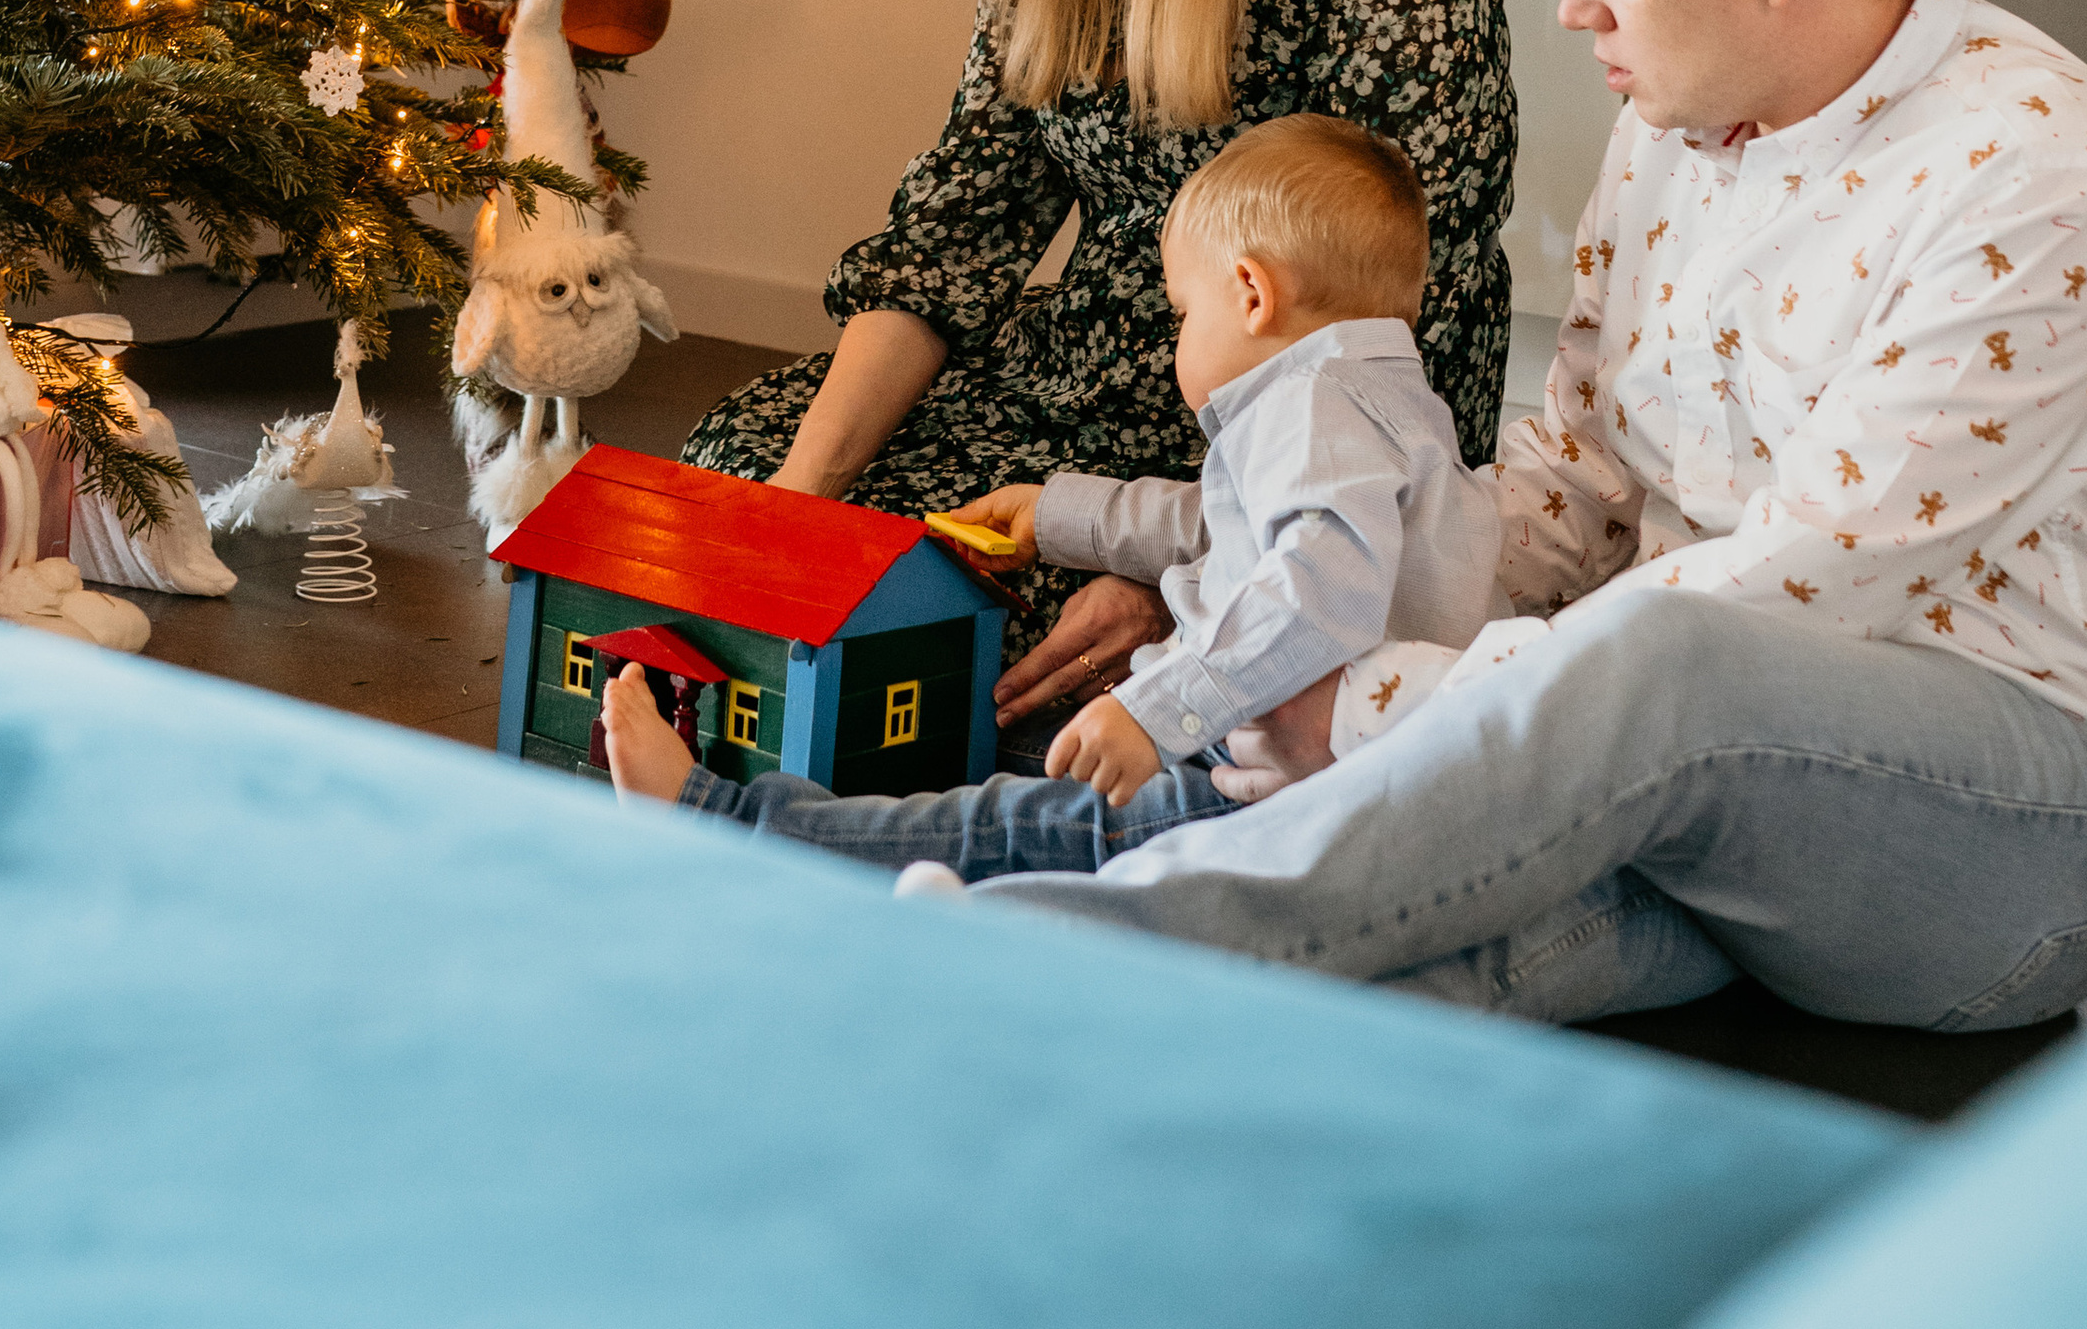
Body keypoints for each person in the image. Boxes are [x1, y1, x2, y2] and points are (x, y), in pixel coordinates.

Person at [683, 0, 2087, 1037]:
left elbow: (1799, 597)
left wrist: (1369, 700)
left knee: (1650, 676)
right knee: (1386, 968)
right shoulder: (1681, 113)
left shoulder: (2023, 168)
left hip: (1993, 842)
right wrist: (1299, 615)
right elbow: (1578, 471)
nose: (1577, 9)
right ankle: (867, 945)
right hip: (1693, 813)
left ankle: (1038, 950)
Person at [684, 0, 1516, 717]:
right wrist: (799, 489)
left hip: (1309, 435)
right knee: (733, 465)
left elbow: (1404, 317)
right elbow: (957, 227)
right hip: (1085, 369)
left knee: (948, 581)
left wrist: (1186, 562)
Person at [605, 114, 1504, 864]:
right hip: (1321, 763)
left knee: (1007, 826)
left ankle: (725, 826)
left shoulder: (1308, 408)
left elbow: (1320, 590)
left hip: (1278, 793)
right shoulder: (1385, 399)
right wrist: (1058, 512)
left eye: (1184, 315)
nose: (1179, 337)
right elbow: (1218, 526)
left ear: (1251, 295)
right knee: (1003, 765)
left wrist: (1156, 714)